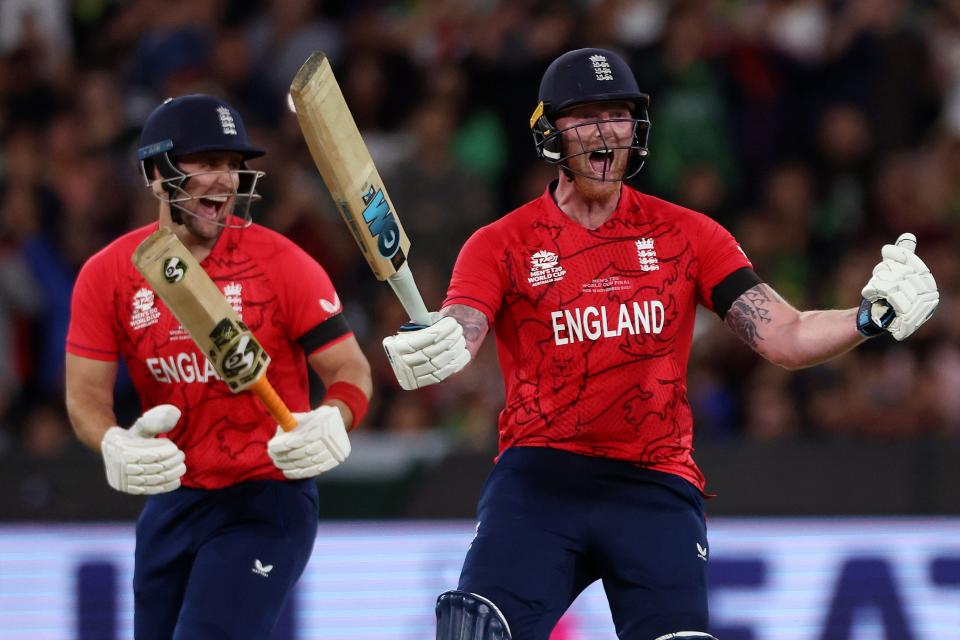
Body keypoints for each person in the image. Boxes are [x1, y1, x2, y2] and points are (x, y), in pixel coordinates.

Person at [382, 48, 939, 640]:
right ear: (550, 131)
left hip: (653, 484)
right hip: (539, 479)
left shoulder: (688, 234)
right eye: (585, 116)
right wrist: (434, 345)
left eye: (618, 114)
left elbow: (786, 334)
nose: (605, 131)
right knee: (474, 632)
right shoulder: (501, 242)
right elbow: (463, 327)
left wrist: (868, 317)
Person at [65, 94, 372, 639]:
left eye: (233, 165)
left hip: (267, 497)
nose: (225, 180)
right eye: (206, 162)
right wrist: (112, 441)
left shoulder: (283, 263)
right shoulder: (107, 274)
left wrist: (335, 416)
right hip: (173, 499)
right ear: (156, 174)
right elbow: (85, 396)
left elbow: (350, 368)